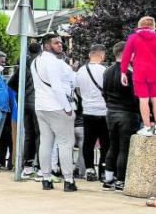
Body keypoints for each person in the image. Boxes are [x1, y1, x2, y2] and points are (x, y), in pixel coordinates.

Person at [31, 34, 78, 192]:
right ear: (46, 45)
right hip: (57, 106)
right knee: (66, 143)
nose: (60, 45)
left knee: (46, 142)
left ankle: (45, 178)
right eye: (56, 43)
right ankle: (69, 180)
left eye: (60, 43)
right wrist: (67, 107)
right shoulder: (54, 63)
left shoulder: (36, 62)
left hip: (41, 106)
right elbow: (57, 88)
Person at [102, 41, 140, 192]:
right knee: (124, 148)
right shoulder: (130, 73)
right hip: (127, 114)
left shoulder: (107, 71)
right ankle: (121, 181)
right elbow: (135, 97)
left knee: (113, 145)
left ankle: (108, 179)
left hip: (111, 113)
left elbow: (104, 93)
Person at [75, 44, 109, 182]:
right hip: (104, 111)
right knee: (105, 143)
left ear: (90, 55)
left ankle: (89, 169)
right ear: (102, 55)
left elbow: (77, 90)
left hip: (88, 111)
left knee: (88, 142)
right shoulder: (105, 70)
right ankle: (103, 170)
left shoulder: (81, 71)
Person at [8, 43, 42, 179]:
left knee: (29, 135)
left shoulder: (23, 65)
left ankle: (27, 167)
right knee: (40, 135)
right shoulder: (40, 64)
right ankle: (40, 168)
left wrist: (21, 94)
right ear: (40, 51)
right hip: (38, 102)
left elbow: (11, 83)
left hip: (25, 104)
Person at [120, 16, 156, 136]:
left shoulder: (133, 37)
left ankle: (146, 127)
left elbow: (126, 55)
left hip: (139, 73)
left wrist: (123, 72)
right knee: (155, 100)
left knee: (143, 100)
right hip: (154, 72)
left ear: (140, 25)